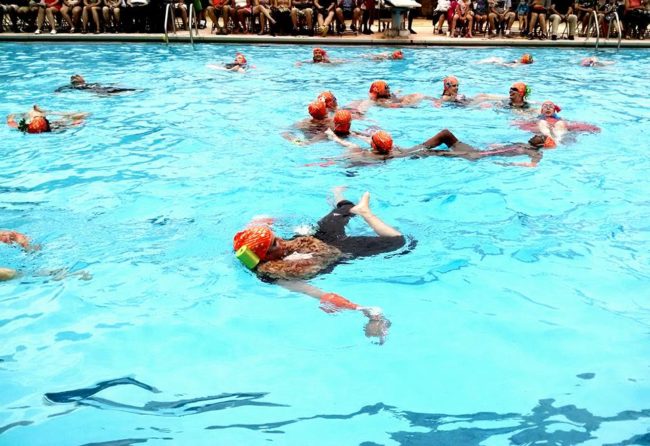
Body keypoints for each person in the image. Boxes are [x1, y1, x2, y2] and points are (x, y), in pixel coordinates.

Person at [233, 189, 405, 343]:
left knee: (343, 210)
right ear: (265, 256)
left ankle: (342, 197)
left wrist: (264, 221)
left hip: (318, 238)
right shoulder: (274, 274)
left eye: (275, 237)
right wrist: (366, 312)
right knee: (398, 241)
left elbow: (258, 223)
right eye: (274, 244)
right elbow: (311, 291)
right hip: (336, 251)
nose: (281, 241)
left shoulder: (253, 244)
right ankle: (366, 214)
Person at [325, 128, 548, 167]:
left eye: (540, 137)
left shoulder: (377, 157)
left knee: (473, 153)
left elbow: (353, 151)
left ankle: (529, 153)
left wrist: (334, 140)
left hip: (428, 153)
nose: (536, 135)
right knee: (446, 136)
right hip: (421, 151)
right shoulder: (387, 152)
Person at [6, 105, 88, 133]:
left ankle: (42, 112)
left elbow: (11, 123)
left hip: (48, 128)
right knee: (79, 115)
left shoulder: (26, 129)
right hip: (56, 128)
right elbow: (78, 120)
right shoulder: (57, 127)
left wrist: (10, 119)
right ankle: (44, 112)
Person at [55, 74, 137, 94]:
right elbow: (59, 90)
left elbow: (103, 84)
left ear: (83, 80)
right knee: (110, 91)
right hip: (93, 91)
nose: (75, 77)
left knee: (115, 89)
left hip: (97, 88)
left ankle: (134, 90)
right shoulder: (70, 86)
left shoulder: (91, 83)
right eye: (73, 77)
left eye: (77, 76)